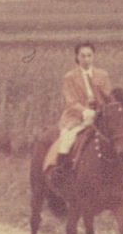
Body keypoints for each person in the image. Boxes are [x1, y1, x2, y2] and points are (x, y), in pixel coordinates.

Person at [43, 42, 112, 186]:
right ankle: (61, 170)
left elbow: (108, 96)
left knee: (119, 136)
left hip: (100, 115)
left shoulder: (103, 75)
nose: (86, 59)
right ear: (77, 57)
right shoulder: (70, 77)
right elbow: (71, 101)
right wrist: (85, 111)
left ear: (93, 57)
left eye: (89, 55)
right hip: (76, 116)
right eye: (83, 56)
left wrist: (101, 110)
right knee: (67, 138)